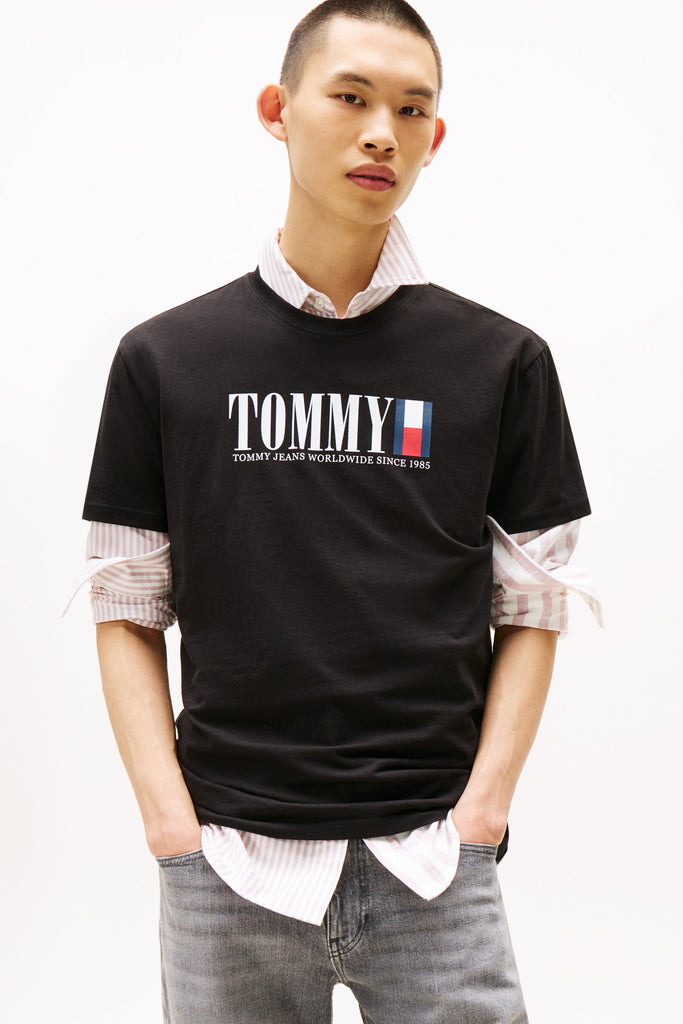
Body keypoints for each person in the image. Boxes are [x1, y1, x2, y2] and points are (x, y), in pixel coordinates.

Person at [68, 2, 602, 1021]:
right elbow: (125, 608)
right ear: (277, 110)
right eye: (350, 97)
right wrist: (171, 829)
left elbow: (532, 609)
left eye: (410, 109)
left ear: (434, 137)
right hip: (227, 865)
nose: (380, 133)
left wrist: (482, 816)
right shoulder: (165, 361)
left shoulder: (501, 363)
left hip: (432, 865)